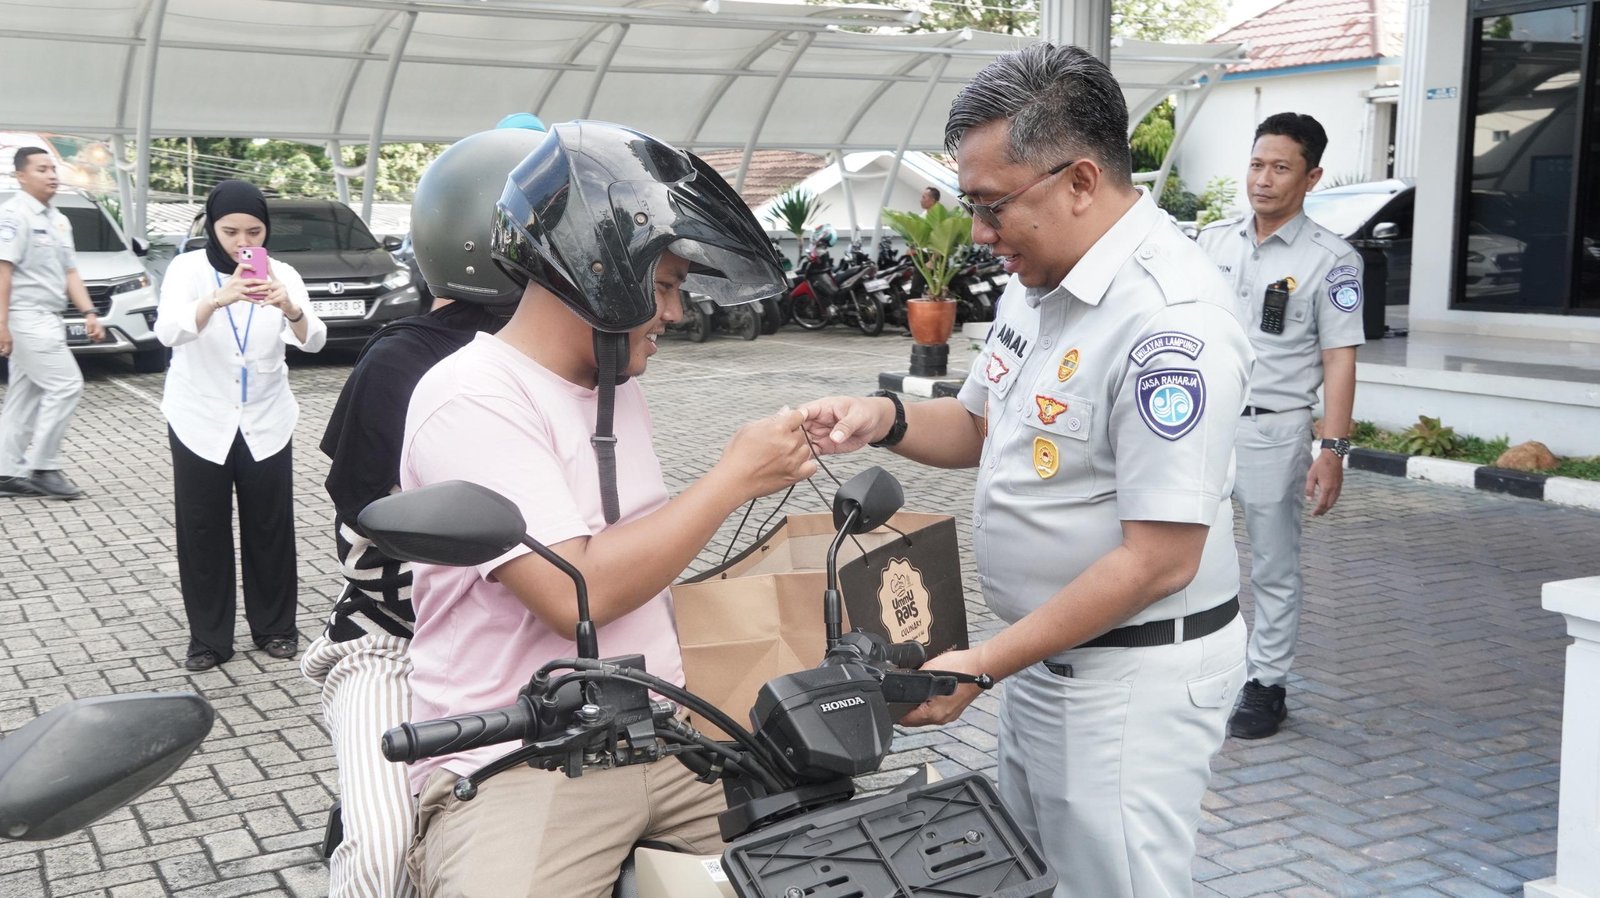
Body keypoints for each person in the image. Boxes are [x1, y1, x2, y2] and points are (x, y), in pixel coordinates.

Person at [800, 44, 1254, 898]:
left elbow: (1161, 557)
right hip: (1044, 660)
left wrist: (982, 664)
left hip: (1127, 681)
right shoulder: (1040, 279)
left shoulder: (1170, 326)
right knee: (1039, 877)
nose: (977, 233)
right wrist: (883, 419)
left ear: (1080, 181)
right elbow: (980, 425)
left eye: (991, 205)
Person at [399, 120, 815, 898]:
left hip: (667, 732)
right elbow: (574, 595)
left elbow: (645, 552)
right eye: (661, 288)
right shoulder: (471, 396)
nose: (678, 314)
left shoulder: (617, 388)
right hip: (523, 753)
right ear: (594, 276)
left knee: (841, 858)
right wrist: (732, 479)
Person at [300, 126, 545, 898]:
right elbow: (366, 549)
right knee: (379, 856)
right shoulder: (400, 362)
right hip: (399, 647)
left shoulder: (578, 356)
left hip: (532, 648)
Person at [1196, 112, 1364, 739]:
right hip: (1202, 427)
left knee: (1272, 565)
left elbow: (1338, 358)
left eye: (1280, 168)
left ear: (1311, 176)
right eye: (1256, 164)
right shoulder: (1210, 243)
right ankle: (1196, 665)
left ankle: (1265, 684)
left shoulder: (1333, 261)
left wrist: (1333, 449)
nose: (1262, 180)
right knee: (1184, 549)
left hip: (1274, 431)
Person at [154, 179, 327, 672]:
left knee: (269, 526)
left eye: (254, 231)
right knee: (203, 528)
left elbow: (314, 339)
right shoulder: (188, 269)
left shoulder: (284, 273)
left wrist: (289, 307)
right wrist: (218, 298)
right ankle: (209, 638)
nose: (243, 242)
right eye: (230, 231)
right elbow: (167, 330)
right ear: (211, 227)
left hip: (266, 419)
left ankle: (275, 628)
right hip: (199, 419)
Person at [0, 146, 105, 500]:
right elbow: (3, 270)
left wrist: (89, 312)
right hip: (24, 316)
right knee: (67, 385)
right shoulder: (14, 216)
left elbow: (70, 271)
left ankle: (6, 472)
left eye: (54, 169)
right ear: (20, 175)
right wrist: (1, 323)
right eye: (42, 169)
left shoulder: (58, 219)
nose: (52, 175)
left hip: (48, 315)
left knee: (24, 395)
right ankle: (43, 466)